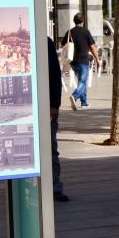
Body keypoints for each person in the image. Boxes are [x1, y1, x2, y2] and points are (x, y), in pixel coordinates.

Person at [61, 13, 99, 110]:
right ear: (83, 21)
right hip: (83, 60)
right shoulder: (86, 32)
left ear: (74, 21)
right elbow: (92, 47)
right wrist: (97, 59)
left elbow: (63, 45)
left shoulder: (69, 32)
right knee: (83, 81)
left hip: (73, 61)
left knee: (82, 81)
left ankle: (84, 102)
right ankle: (74, 96)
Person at [48, 36, 68, 202]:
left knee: (51, 149)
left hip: (47, 108)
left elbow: (55, 76)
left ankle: (55, 186)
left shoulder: (45, 42)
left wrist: (55, 104)